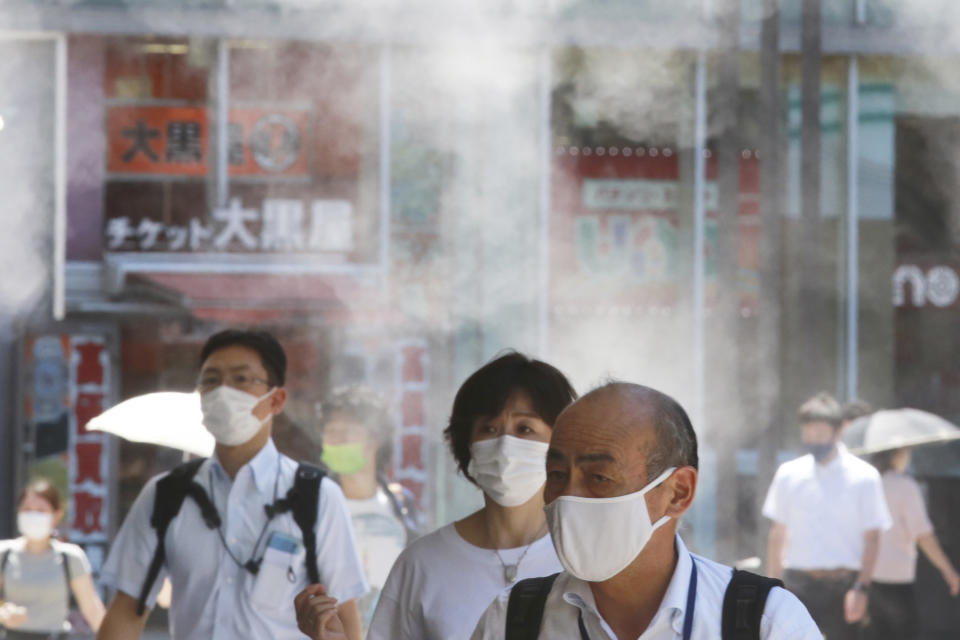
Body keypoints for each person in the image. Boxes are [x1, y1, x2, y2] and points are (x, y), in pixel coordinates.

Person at [470, 382, 821, 639]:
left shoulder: (765, 622)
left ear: (678, 493)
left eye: (599, 477)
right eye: (557, 475)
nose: (568, 497)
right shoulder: (512, 620)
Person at [96, 329, 368, 640]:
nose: (223, 392)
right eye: (211, 380)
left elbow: (345, 617)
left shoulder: (318, 497)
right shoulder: (165, 495)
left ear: (276, 399)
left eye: (241, 380)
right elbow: (126, 612)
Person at [298, 352, 575, 640]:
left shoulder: (583, 559)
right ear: (466, 443)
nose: (505, 444)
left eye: (524, 429)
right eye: (488, 428)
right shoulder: (422, 564)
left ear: (561, 441)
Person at [763, 392, 892, 639]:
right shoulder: (789, 474)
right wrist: (773, 586)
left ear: (838, 431)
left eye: (820, 434)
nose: (814, 441)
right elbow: (777, 533)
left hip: (844, 586)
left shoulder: (864, 476)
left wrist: (861, 588)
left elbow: (873, 538)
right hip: (797, 584)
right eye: (808, 434)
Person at [316, 385, 422, 628]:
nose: (338, 440)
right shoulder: (315, 505)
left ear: (375, 439)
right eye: (331, 432)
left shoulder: (400, 504)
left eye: (348, 432)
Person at [863, 446, 960, 640]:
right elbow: (923, 535)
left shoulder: (863, 484)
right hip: (897, 581)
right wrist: (949, 571)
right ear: (898, 454)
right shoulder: (904, 486)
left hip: (862, 581)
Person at [0, 479, 106, 639]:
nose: (33, 515)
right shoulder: (4, 553)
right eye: (27, 509)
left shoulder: (70, 557)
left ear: (57, 514)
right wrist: (3, 611)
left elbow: (92, 609)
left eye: (41, 511)